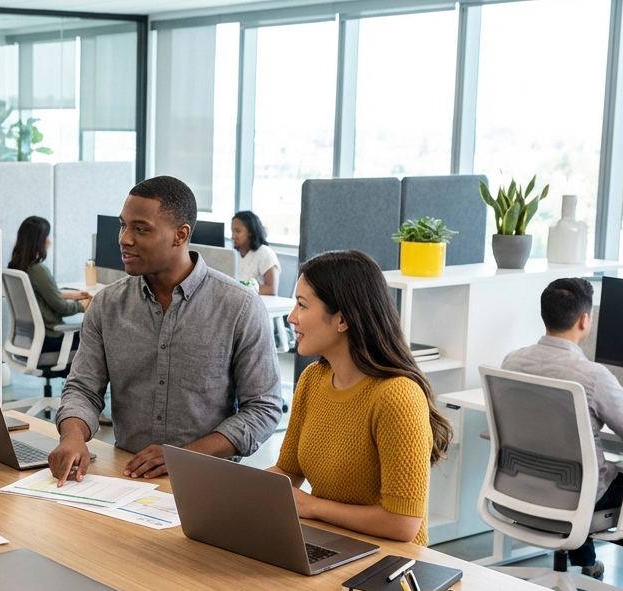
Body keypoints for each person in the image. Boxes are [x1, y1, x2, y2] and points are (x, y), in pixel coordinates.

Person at [49, 176, 282, 483]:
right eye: (123, 226)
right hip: (129, 475)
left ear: (180, 235)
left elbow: (263, 408)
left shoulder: (239, 306)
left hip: (208, 478)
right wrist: (72, 436)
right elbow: (83, 389)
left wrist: (183, 456)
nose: (124, 239)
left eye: (140, 229)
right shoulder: (107, 304)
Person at [501, 277, 623, 591]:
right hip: (577, 498)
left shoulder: (512, 361)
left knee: (580, 466)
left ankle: (585, 560)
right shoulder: (592, 376)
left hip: (521, 490)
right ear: (584, 320)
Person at [273, 250, 450, 545]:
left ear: (342, 319)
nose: (292, 317)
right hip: (328, 541)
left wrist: (312, 507)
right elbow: (287, 472)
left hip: (390, 558)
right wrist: (232, 489)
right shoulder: (313, 379)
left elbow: (403, 524)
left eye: (302, 305)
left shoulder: (398, 397)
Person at [8, 215, 90, 355]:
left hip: (28, 339)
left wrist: (67, 295)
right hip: (50, 339)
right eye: (47, 236)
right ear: (39, 240)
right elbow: (62, 308)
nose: (49, 241)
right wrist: (83, 305)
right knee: (99, 340)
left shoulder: (17, 268)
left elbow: (37, 297)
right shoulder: (37, 270)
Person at [231, 210, 279, 296]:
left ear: (250, 231)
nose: (233, 236)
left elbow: (272, 289)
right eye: (232, 231)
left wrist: (241, 288)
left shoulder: (265, 253)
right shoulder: (234, 254)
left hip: (256, 301)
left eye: (238, 231)